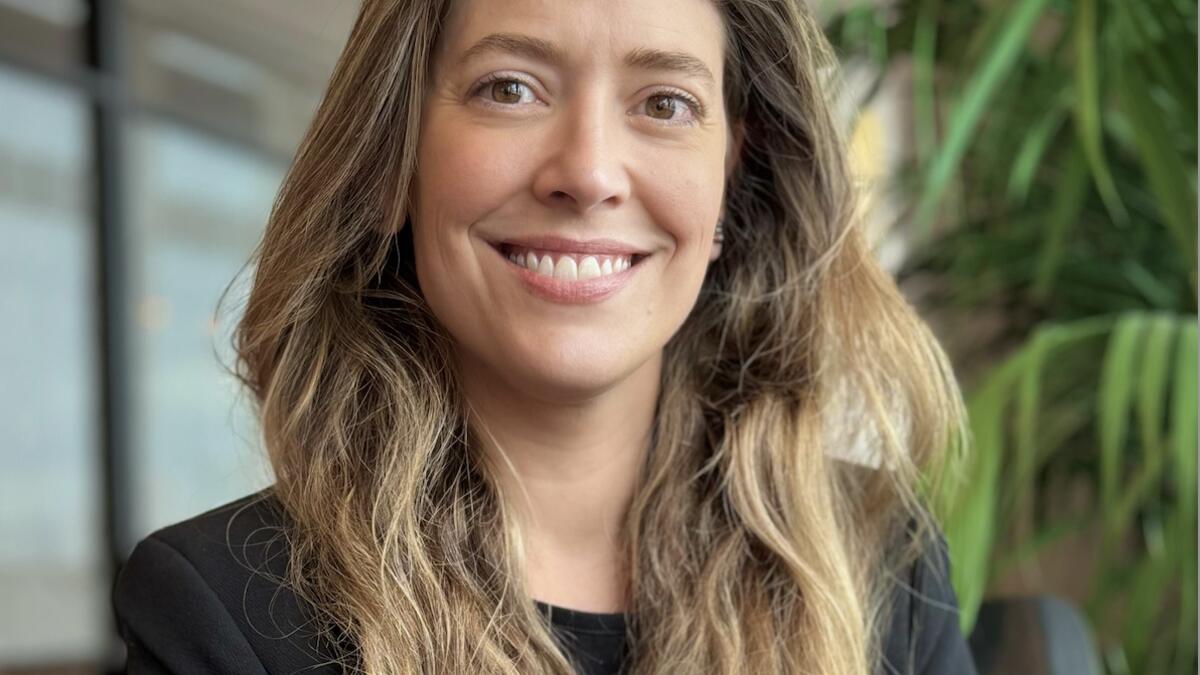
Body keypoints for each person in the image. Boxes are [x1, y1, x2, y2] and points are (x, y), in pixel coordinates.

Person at [112, 0, 980, 673]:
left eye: (665, 103)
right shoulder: (220, 609)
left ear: (731, 177)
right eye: (510, 88)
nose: (589, 172)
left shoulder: (880, 559)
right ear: (394, 160)